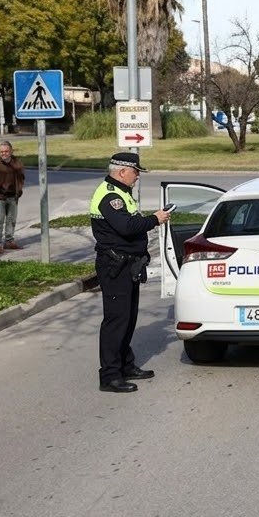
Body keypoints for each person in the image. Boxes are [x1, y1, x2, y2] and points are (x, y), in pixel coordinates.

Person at [91, 152, 171, 393]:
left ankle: (126, 365)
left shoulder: (122, 193)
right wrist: (155, 219)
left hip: (128, 265)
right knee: (116, 321)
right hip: (114, 266)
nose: (137, 177)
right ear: (122, 171)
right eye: (135, 172)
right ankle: (110, 376)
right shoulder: (110, 196)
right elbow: (126, 227)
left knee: (127, 319)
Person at [0, 141, 26, 254]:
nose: (4, 154)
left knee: (11, 219)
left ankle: (9, 241)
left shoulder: (17, 163)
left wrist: (19, 190)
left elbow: (21, 177)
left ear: (11, 151)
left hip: (13, 196)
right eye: (2, 151)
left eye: (6, 151)